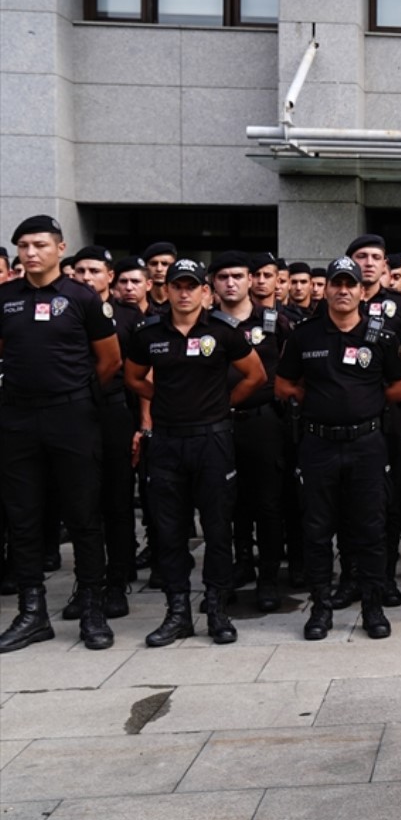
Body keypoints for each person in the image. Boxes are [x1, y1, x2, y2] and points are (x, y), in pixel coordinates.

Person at [123, 258, 266, 646]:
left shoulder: (223, 331)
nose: (184, 293)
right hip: (167, 441)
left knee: (218, 528)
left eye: (191, 286)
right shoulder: (147, 332)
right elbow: (133, 376)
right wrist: (165, 398)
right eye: (177, 286)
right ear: (166, 290)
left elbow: (256, 375)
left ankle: (217, 611)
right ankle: (177, 613)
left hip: (212, 441)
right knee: (170, 531)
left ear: (206, 291)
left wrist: (223, 403)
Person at [0, 216, 121, 653]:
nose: (30, 252)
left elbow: (108, 360)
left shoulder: (82, 298)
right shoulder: (5, 298)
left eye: (39, 244)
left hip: (71, 416)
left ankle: (91, 608)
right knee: (24, 517)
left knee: (84, 514)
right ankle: (32, 613)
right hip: (16, 418)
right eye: (23, 245)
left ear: (59, 247)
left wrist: (76, 396)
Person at [275, 257, 401, 639]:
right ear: (327, 289)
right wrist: (318, 399)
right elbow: (284, 385)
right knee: (317, 530)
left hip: (366, 445)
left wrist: (361, 403)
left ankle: (372, 607)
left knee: (370, 528)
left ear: (361, 291)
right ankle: (320, 608)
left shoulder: (381, 336)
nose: (342, 290)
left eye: (350, 284)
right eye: (336, 283)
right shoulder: (305, 334)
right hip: (318, 444)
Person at [208, 251, 294, 611]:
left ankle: (269, 577)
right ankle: (237, 566)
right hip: (218, 423)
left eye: (238, 276)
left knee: (268, 503)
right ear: (213, 283)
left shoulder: (275, 323)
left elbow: (293, 370)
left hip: (264, 422)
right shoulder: (204, 324)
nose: (231, 282)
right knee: (227, 503)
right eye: (223, 276)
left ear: (249, 280)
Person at [344, 235, 401, 608]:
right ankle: (349, 577)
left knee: (387, 499)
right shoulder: (335, 299)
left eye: (375, 257)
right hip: (346, 417)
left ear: (385, 265)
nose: (368, 263)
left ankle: (385, 577)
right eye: (360, 256)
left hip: (390, 413)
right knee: (345, 500)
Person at [70, 245, 145, 619]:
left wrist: (142, 426)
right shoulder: (64, 311)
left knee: (116, 503)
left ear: (109, 276)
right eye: (80, 271)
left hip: (115, 410)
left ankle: (117, 583)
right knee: (81, 504)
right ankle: (86, 585)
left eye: (94, 271)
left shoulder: (128, 318)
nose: (86, 278)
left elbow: (143, 376)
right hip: (70, 414)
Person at [141, 241, 177, 311]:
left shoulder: (181, 299)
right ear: (146, 267)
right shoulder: (140, 299)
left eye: (165, 264)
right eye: (153, 264)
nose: (159, 269)